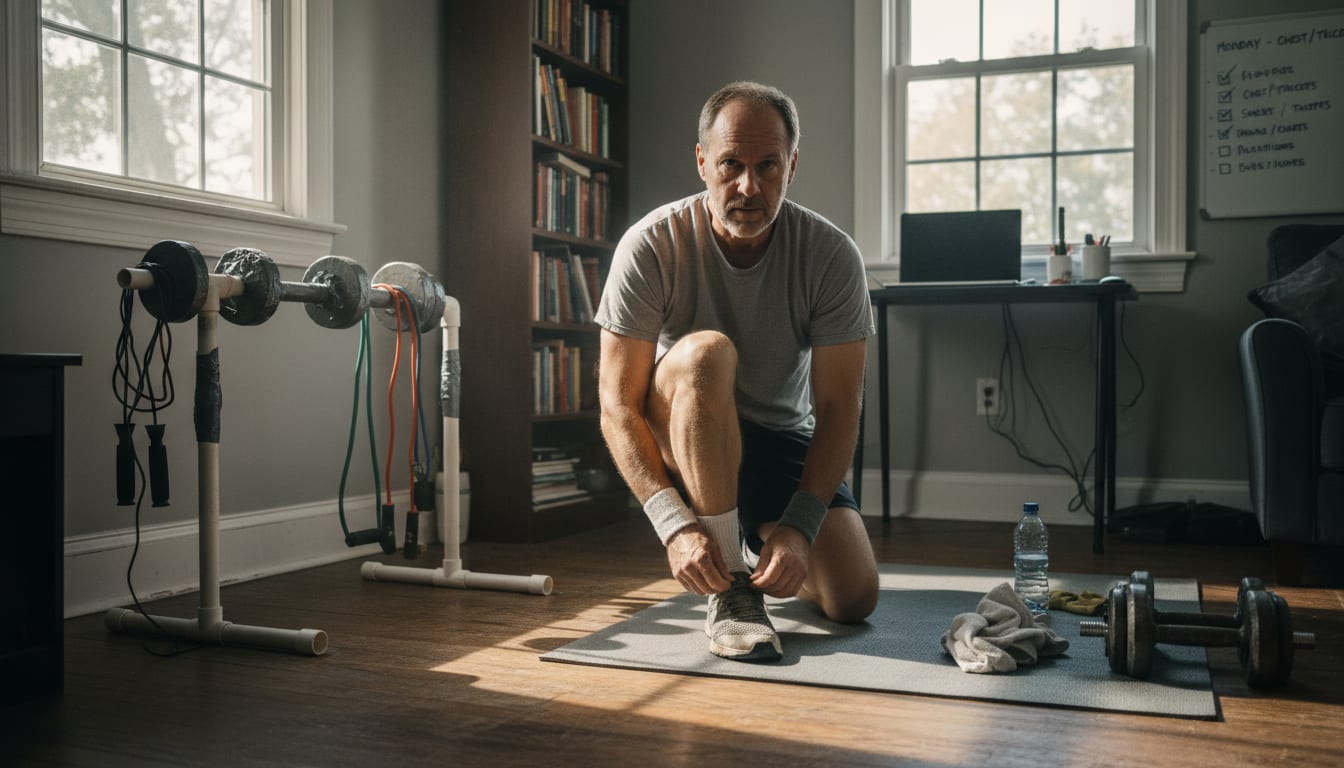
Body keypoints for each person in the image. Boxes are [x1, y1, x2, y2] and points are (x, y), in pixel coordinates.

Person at [594, 81, 879, 662]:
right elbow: (617, 406)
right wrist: (675, 524)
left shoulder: (831, 255)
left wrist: (799, 529)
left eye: (767, 166)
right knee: (706, 354)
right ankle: (730, 590)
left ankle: (756, 547)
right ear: (702, 162)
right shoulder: (650, 245)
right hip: (687, 430)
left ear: (791, 166)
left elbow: (839, 409)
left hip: (779, 437)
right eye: (731, 164)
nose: (749, 186)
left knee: (854, 598)